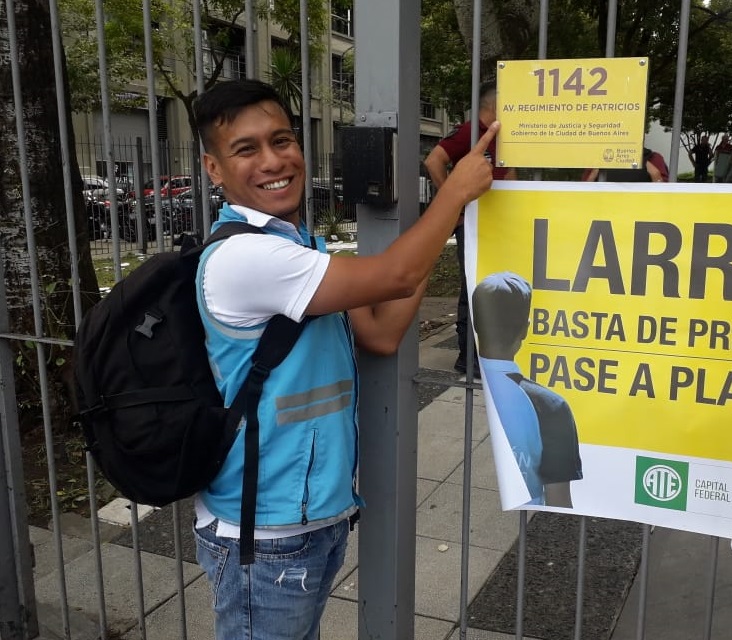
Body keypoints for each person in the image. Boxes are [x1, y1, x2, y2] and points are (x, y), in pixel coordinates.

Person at [191, 79, 497, 640]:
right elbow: (397, 275)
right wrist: (452, 195)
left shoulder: (299, 245)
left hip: (314, 518)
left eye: (282, 140)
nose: (272, 161)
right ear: (214, 169)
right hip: (265, 531)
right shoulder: (246, 258)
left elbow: (381, 332)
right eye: (246, 149)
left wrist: (440, 230)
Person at [424, 81, 516, 377]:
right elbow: (434, 161)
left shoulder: (504, 137)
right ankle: (467, 358)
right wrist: (455, 203)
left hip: (496, 225)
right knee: (472, 287)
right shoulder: (470, 132)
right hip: (473, 224)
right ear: (495, 105)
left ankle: (486, 353)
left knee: (493, 285)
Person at [472, 272, 583, 507]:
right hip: (521, 518)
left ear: (475, 323)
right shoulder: (552, 406)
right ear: (526, 329)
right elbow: (558, 502)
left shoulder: (468, 389)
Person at [581, 147, 669, 183]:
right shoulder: (601, 158)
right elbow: (584, 189)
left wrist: (644, 163)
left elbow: (662, 189)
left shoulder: (653, 158)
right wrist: (595, 171)